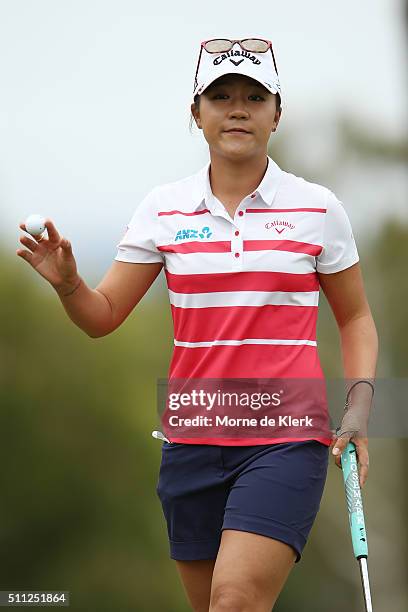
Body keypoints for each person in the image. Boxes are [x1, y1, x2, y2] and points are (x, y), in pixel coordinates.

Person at [17, 37, 378, 612]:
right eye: (221, 96)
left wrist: (358, 406)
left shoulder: (317, 208)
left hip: (285, 439)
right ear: (196, 114)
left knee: (234, 600)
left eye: (255, 97)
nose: (238, 108)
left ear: (276, 113)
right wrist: (68, 284)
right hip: (191, 442)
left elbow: (355, 317)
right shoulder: (164, 209)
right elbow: (102, 316)